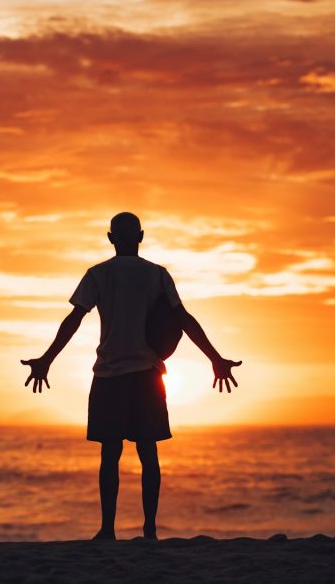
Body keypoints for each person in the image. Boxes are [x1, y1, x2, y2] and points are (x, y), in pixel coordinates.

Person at [20, 212, 242, 541]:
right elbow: (183, 318)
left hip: (109, 375)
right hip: (147, 376)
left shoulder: (98, 274)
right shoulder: (157, 275)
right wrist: (215, 358)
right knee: (148, 453)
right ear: (140, 236)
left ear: (111, 238)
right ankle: (149, 530)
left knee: (109, 455)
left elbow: (74, 318)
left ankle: (107, 530)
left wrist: (47, 359)